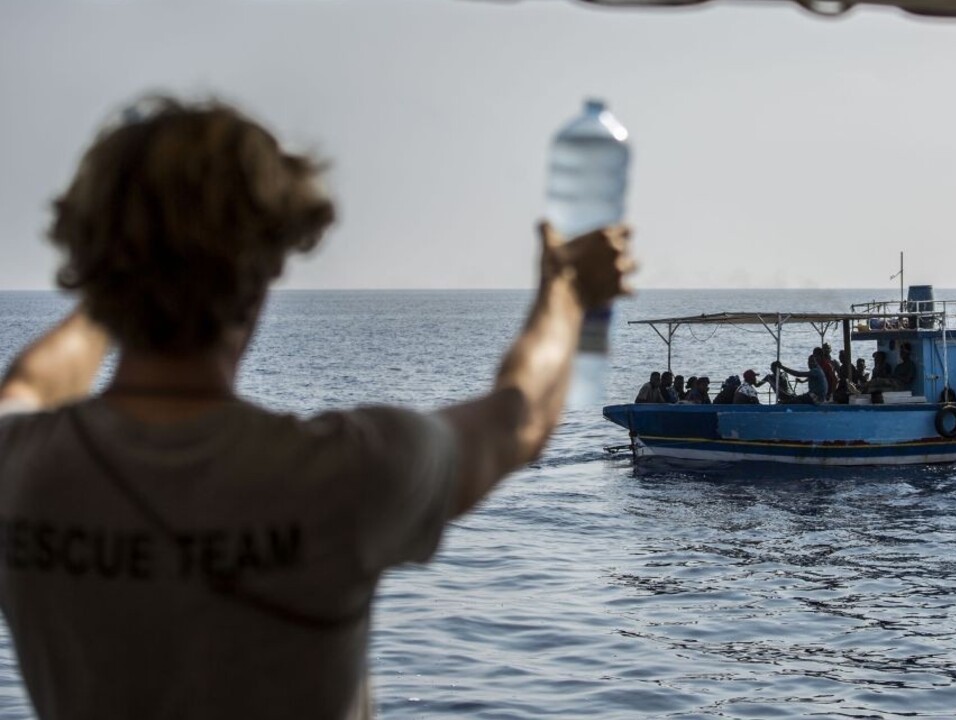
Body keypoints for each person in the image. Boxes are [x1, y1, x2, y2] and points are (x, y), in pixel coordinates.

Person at [0, 98, 633, 719]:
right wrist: (567, 294)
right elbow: (520, 417)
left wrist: (127, 263)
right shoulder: (345, 472)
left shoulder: (18, 466)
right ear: (266, 266)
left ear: (92, 262)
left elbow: (28, 386)